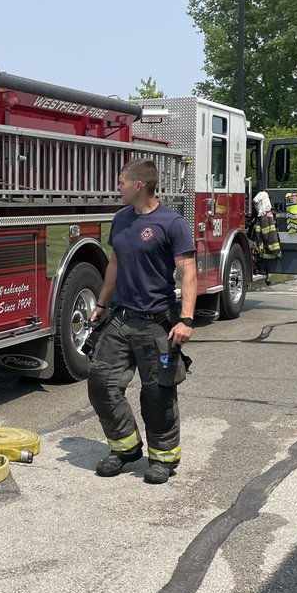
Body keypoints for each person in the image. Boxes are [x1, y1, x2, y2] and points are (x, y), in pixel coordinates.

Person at [87, 158, 197, 485]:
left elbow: (188, 272)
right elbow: (115, 264)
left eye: (121, 183)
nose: (117, 188)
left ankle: (163, 458)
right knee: (101, 384)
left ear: (138, 185)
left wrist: (187, 319)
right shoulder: (121, 219)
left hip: (156, 323)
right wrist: (102, 303)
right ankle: (125, 448)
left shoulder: (171, 223)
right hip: (121, 318)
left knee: (158, 394)